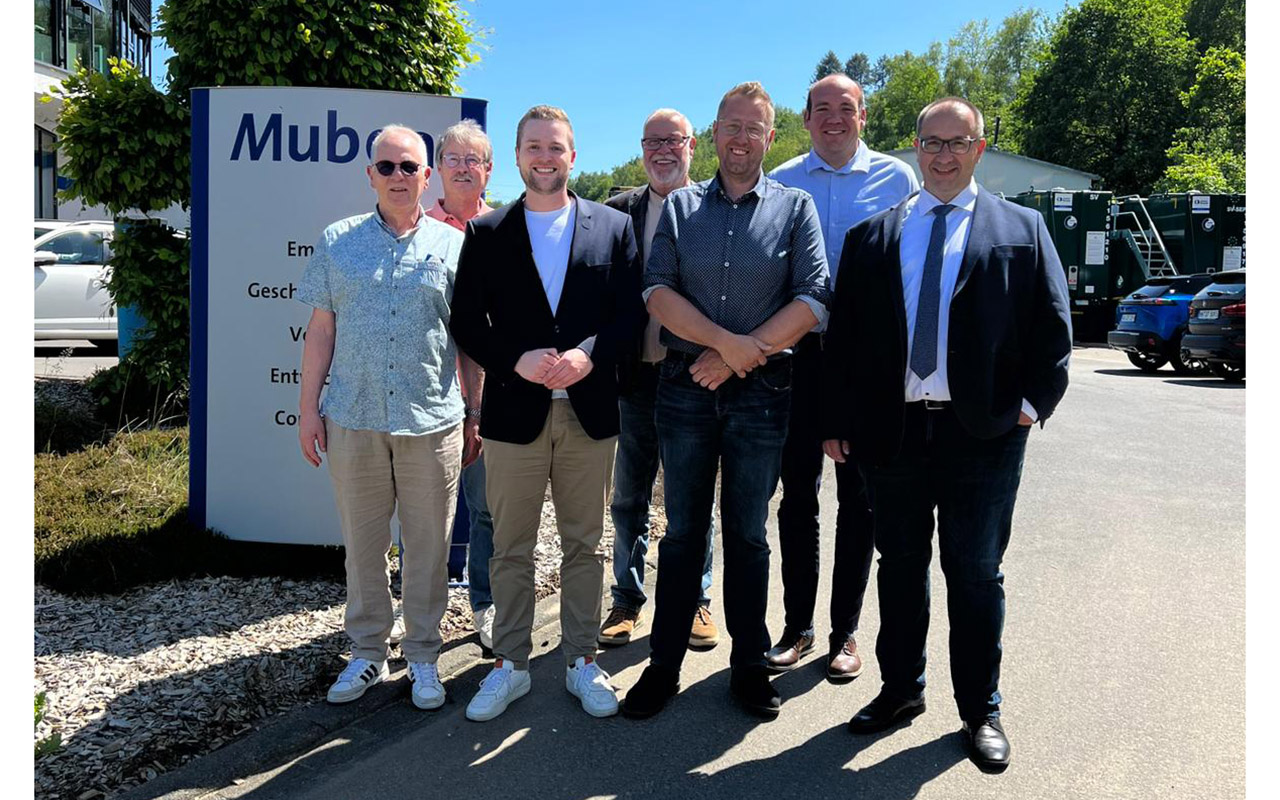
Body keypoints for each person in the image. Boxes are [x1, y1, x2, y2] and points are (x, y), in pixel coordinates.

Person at [821, 97, 1071, 771]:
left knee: (974, 573)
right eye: (931, 142)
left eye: (956, 142)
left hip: (983, 438)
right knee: (899, 569)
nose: (942, 154)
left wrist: (1027, 408)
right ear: (914, 147)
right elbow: (844, 343)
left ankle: (980, 709)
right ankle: (901, 690)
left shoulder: (1021, 228)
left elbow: (1052, 330)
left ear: (979, 149)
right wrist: (838, 421)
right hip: (892, 437)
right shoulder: (873, 237)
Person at [621, 82, 829, 720]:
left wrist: (746, 354)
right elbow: (656, 292)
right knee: (682, 533)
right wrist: (723, 346)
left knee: (746, 535)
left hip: (763, 396)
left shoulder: (796, 209)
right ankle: (664, 667)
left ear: (772, 137)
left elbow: (815, 299)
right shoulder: (682, 208)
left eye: (754, 127)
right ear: (714, 134)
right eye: (731, 126)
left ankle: (747, 666)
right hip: (685, 388)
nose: (741, 138)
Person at [449, 105, 643, 722]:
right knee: (511, 545)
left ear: (573, 156)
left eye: (556, 147)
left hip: (587, 414)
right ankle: (510, 665)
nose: (545, 157)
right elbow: (465, 323)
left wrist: (588, 356)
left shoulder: (612, 227)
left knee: (586, 545)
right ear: (517, 156)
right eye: (534, 147)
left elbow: (631, 317)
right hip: (513, 413)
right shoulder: (487, 232)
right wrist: (515, 361)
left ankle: (583, 660)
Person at [296, 124, 481, 711]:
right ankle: (368, 653)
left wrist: (476, 411)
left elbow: (470, 341)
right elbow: (320, 330)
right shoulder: (337, 240)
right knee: (364, 544)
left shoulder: (456, 247)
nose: (399, 176)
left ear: (428, 177)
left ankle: (424, 656)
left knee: (429, 547)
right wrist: (308, 410)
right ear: (370, 175)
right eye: (387, 166)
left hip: (433, 421)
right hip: (353, 418)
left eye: (410, 167)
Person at [765, 74, 919, 679]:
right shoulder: (782, 181)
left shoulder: (897, 179)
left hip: (865, 365)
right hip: (796, 358)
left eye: (845, 108)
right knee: (797, 498)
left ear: (864, 116)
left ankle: (845, 633)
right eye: (821, 109)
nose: (834, 118)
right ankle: (798, 627)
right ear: (805, 119)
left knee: (860, 501)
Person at [599, 108, 719, 650]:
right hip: (632, 380)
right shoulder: (617, 212)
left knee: (690, 498)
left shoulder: (714, 209)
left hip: (692, 377)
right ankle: (626, 599)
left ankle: (696, 598)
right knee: (628, 497)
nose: (662, 150)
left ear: (692, 146)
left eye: (673, 140)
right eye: (653, 141)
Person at [425, 119, 498, 651]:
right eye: (454, 157)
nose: (464, 167)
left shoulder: (506, 230)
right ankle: (420, 622)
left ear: (489, 170)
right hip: (427, 396)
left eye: (474, 160)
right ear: (438, 168)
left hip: (491, 395)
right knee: (427, 514)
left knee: (488, 506)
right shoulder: (419, 229)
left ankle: (485, 605)